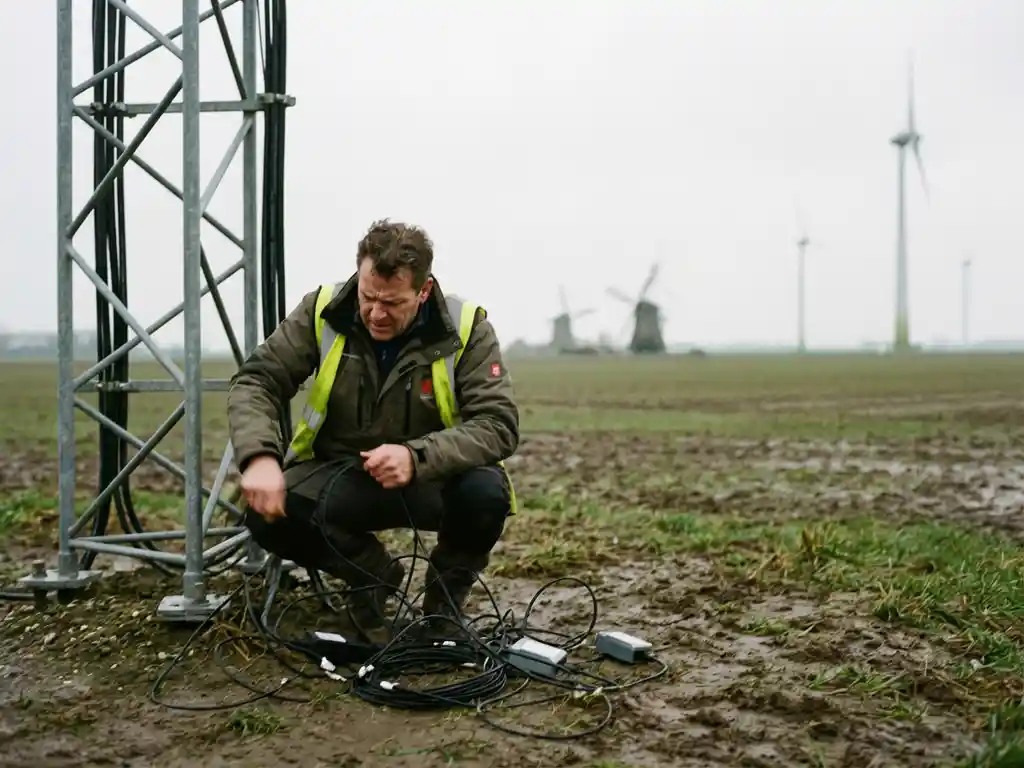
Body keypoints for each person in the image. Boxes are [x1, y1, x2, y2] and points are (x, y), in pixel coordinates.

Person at [226, 219, 519, 635]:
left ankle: (442, 610)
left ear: (423, 291)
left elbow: (498, 423)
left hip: (432, 479)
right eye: (368, 297)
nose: (376, 314)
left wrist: (418, 456)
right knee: (267, 513)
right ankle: (373, 576)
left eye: (393, 303)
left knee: (486, 494)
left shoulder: (467, 327)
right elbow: (257, 380)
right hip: (341, 475)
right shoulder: (322, 311)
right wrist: (259, 457)